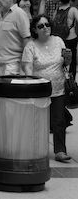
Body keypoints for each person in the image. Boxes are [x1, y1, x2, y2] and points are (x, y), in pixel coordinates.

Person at [22, 15, 72, 163]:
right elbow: (27, 67)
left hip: (59, 88)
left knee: (59, 121)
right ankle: (36, 149)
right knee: (38, 122)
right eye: (41, 26)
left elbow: (65, 63)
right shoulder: (31, 46)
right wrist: (30, 84)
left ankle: (60, 151)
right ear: (34, 30)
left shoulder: (58, 41)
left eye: (47, 24)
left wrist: (69, 60)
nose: (45, 28)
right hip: (40, 91)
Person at [0, 0, 31, 76]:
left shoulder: (19, 13)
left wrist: (25, 64)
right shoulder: (2, 13)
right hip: (1, 64)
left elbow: (26, 39)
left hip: (12, 65)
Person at [53, 0, 78, 79]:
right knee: (72, 60)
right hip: (71, 38)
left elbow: (53, 22)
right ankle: (71, 79)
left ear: (60, 0)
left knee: (61, 59)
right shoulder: (73, 10)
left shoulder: (57, 10)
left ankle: (62, 76)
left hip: (60, 38)